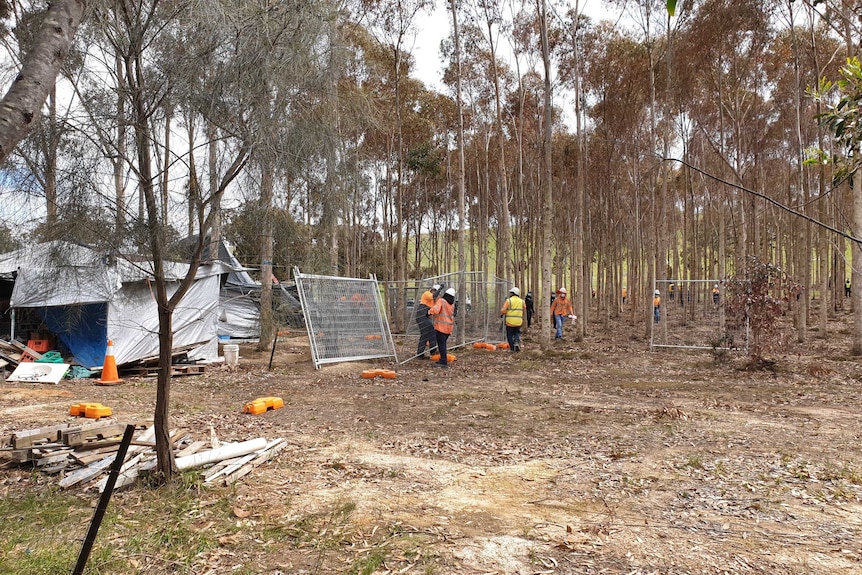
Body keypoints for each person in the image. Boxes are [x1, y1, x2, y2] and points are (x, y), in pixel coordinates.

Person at [428, 287, 456, 368]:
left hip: (441, 327)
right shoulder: (451, 305)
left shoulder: (441, 301)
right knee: (442, 345)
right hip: (448, 328)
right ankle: (443, 359)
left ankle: (443, 362)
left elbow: (436, 309)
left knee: (442, 345)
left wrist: (428, 312)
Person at [415, 284, 440, 358]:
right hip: (422, 316)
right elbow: (433, 296)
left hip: (425, 317)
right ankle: (433, 351)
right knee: (432, 332)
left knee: (424, 335)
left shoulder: (433, 301)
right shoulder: (427, 294)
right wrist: (440, 289)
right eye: (435, 291)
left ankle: (420, 354)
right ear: (432, 290)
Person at [500, 287, 525, 352]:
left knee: (510, 335)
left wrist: (503, 313)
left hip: (510, 322)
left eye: (510, 292)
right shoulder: (522, 301)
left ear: (513, 293)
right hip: (518, 321)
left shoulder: (508, 300)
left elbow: (503, 310)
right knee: (517, 332)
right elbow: (524, 307)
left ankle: (512, 348)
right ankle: (516, 342)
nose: (509, 293)